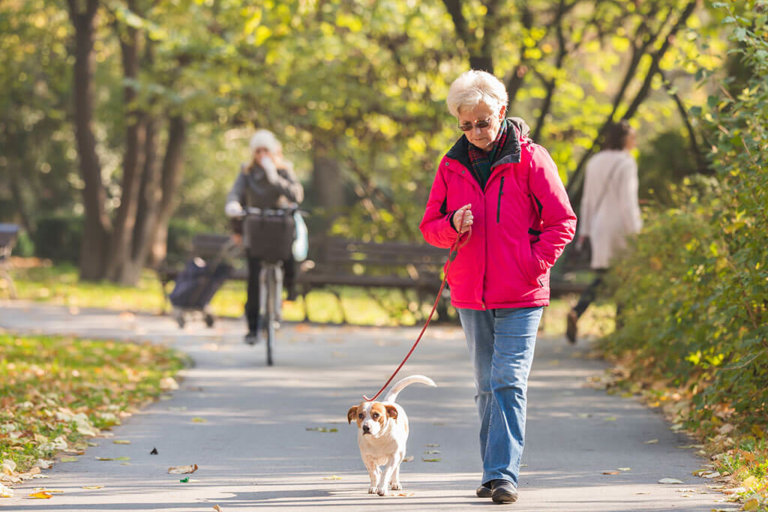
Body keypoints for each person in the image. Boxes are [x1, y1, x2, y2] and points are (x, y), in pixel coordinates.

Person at [419, 70, 576, 503]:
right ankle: (492, 473)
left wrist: (533, 264)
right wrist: (451, 225)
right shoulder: (451, 165)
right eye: (466, 125)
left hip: (521, 292)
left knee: (508, 379)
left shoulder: (531, 159)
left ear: (501, 112)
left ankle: (503, 475)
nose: (475, 132)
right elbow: (430, 226)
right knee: (486, 384)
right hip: (471, 292)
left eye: (483, 122)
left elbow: (562, 221)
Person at [565, 120, 642, 344]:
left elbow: (588, 201)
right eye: (633, 137)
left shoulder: (595, 161)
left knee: (605, 275)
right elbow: (628, 202)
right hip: (620, 226)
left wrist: (585, 231)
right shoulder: (626, 162)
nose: (635, 141)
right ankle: (620, 331)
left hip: (599, 226)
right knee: (625, 277)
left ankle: (578, 311)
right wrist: (636, 232)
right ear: (625, 139)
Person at [225, 129, 304, 345]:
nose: (261, 155)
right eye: (258, 151)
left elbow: (296, 195)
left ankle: (289, 292)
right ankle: (253, 327)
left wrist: (274, 177)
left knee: (288, 259)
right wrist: (233, 205)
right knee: (253, 275)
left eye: (265, 150)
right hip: (256, 227)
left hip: (279, 227)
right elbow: (235, 193)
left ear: (273, 151)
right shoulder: (247, 172)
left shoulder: (284, 170)